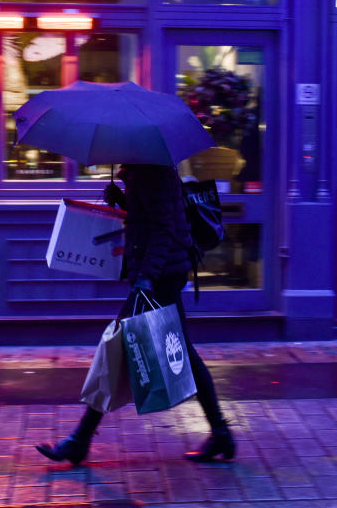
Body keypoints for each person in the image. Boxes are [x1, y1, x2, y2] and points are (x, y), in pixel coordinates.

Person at [36, 163, 234, 465]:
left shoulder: (153, 168)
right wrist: (123, 199)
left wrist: (147, 278)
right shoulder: (145, 167)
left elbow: (164, 228)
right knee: (178, 354)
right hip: (161, 273)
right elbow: (150, 217)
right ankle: (221, 433)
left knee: (117, 349)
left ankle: (80, 440)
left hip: (160, 276)